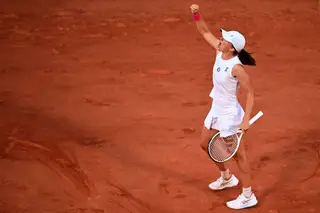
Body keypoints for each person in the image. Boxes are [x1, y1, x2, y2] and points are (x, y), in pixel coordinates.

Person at [190, 4, 258, 210]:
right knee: (204, 144)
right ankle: (227, 177)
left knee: (239, 156)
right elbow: (203, 30)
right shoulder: (220, 53)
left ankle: (248, 195)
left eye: (224, 40)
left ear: (232, 47)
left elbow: (250, 93)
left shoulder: (237, 68)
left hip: (229, 115)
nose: (220, 40)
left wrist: (245, 119)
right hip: (216, 109)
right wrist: (196, 14)